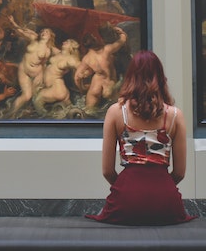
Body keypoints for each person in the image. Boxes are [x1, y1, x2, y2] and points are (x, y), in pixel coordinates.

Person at [86, 50, 194, 226]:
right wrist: (159, 188)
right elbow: (180, 173)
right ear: (160, 77)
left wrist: (126, 189)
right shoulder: (176, 116)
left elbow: (107, 171)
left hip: (125, 199)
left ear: (130, 77)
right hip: (166, 202)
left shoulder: (115, 112)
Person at [8, 15, 58, 115]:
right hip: (24, 70)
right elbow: (21, 32)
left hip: (37, 74)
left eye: (47, 32)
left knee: (34, 98)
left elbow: (60, 55)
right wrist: (13, 22)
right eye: (43, 31)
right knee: (26, 96)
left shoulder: (50, 49)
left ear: (50, 36)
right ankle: (9, 115)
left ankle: (31, 115)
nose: (44, 33)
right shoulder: (34, 38)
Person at [74, 25, 127, 111]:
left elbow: (76, 78)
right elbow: (122, 40)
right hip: (109, 86)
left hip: (96, 86)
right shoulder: (107, 50)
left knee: (88, 112)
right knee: (119, 111)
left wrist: (82, 89)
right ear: (95, 40)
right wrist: (121, 32)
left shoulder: (86, 58)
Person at [33, 38, 81, 114]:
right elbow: (49, 45)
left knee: (38, 100)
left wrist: (82, 74)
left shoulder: (70, 59)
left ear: (72, 47)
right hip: (59, 90)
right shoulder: (59, 53)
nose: (64, 41)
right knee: (71, 112)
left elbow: (80, 66)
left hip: (56, 89)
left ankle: (43, 122)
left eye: (67, 42)